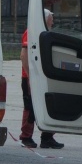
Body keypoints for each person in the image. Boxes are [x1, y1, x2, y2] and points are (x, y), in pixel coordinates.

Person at [21, 9, 63, 149]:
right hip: (31, 77)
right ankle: (26, 137)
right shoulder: (32, 32)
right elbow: (24, 55)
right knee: (30, 107)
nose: (53, 21)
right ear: (45, 19)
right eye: (51, 18)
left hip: (44, 76)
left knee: (48, 105)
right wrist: (29, 76)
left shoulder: (46, 33)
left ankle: (47, 137)